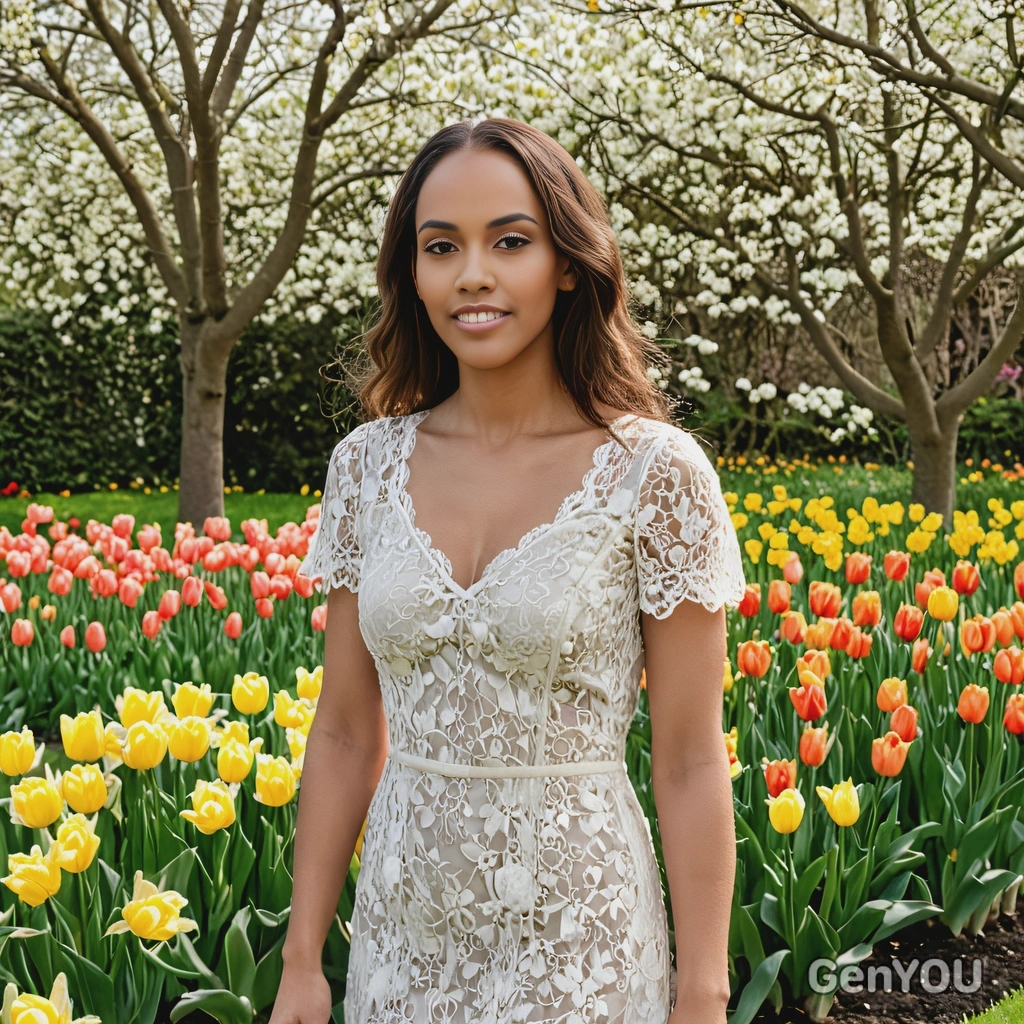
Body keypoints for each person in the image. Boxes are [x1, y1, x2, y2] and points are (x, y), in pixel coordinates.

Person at [270, 117, 747, 1024]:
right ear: (412, 273)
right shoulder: (365, 467)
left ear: (568, 263)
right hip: (401, 947)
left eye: (511, 241)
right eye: (441, 246)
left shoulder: (655, 473)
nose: (473, 274)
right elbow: (343, 732)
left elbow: (690, 761)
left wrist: (703, 991)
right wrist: (303, 959)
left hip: (581, 946)